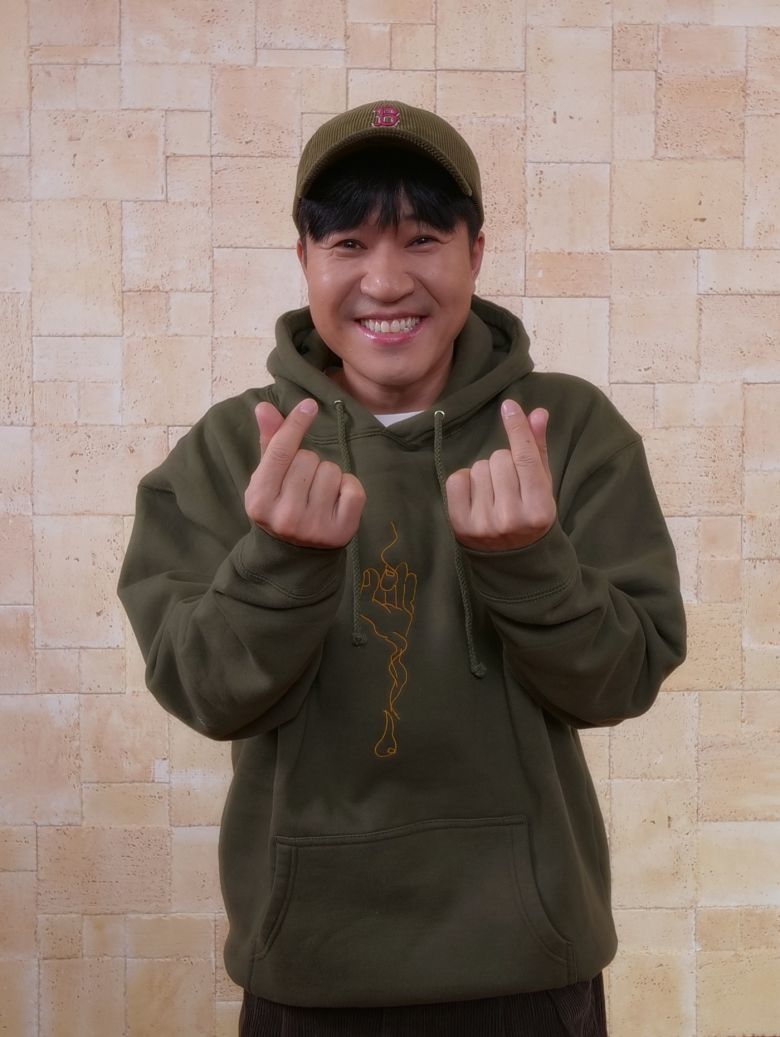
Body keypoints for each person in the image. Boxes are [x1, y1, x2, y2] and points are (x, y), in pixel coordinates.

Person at [118, 100, 686, 1036]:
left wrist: (529, 564)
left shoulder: (566, 431)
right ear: (304, 259)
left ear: (477, 252)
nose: (386, 280)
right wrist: (282, 561)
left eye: (423, 238)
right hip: (309, 971)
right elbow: (204, 692)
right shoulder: (235, 449)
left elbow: (623, 679)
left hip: (529, 969)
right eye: (348, 243)